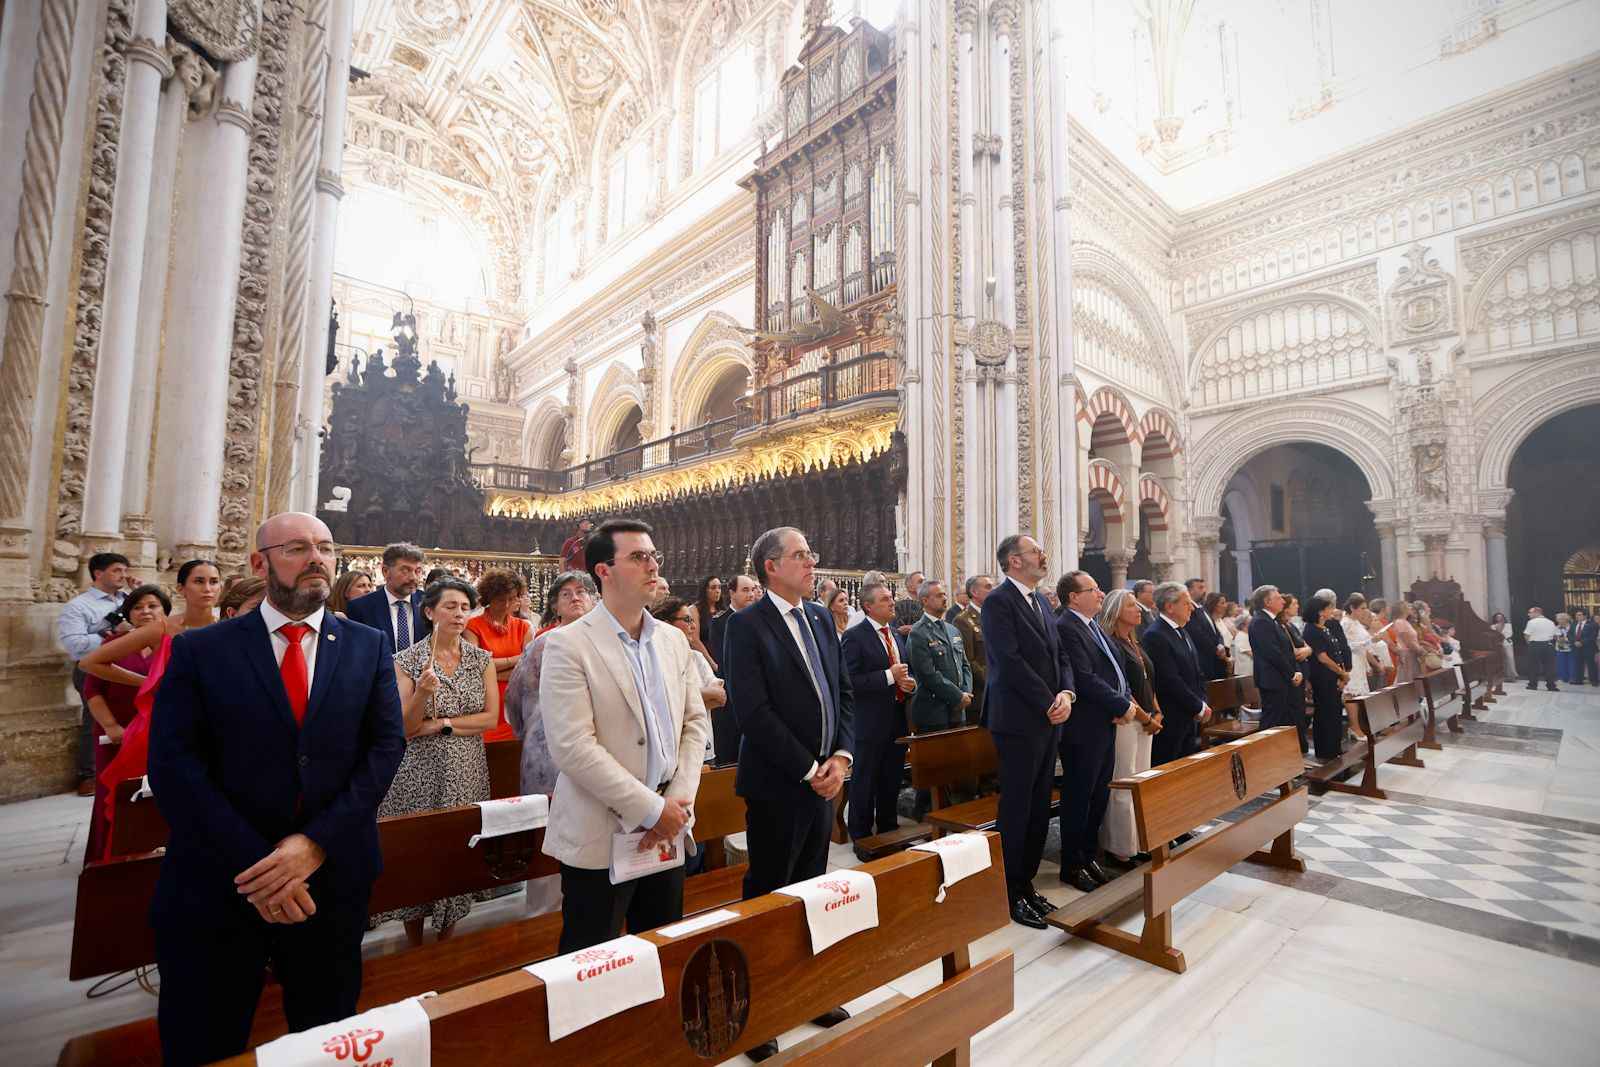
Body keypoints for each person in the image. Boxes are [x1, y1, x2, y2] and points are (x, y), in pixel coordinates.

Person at [147, 513, 404, 1067]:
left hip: (330, 881)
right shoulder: (203, 650)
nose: (317, 558)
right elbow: (175, 765)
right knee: (204, 1041)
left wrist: (312, 845)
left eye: (326, 548)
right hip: (220, 882)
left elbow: (384, 751)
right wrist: (261, 869)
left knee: (326, 1036)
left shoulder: (366, 645)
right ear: (260, 563)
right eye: (297, 548)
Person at [539, 519, 710, 954]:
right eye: (638, 557)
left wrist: (678, 802)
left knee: (661, 948)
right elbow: (573, 747)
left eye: (654, 556)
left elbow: (694, 724)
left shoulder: (672, 639)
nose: (652, 565)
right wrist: (651, 809)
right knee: (590, 956)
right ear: (604, 571)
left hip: (669, 825)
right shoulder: (568, 644)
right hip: (603, 830)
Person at [724, 526, 855, 1060]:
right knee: (770, 892)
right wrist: (809, 768)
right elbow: (753, 712)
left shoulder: (820, 616)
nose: (812, 562)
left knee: (811, 886)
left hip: (826, 781)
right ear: (771, 567)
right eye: (801, 555)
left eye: (811, 553)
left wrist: (842, 758)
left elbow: (841, 692)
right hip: (780, 784)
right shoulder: (746, 625)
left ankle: (804, 991)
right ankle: (757, 1006)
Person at [372, 579, 498, 947]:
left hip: (466, 768)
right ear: (429, 613)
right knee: (419, 854)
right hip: (417, 772)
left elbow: (490, 718)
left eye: (464, 607)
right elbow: (407, 729)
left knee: (456, 852)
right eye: (450, 607)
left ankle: (446, 938)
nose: (459, 614)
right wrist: (422, 694)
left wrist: (441, 725)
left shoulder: (481, 659)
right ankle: (414, 941)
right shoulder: (407, 661)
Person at [982, 535, 1074, 929]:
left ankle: (1027, 882)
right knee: (1018, 807)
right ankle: (1008, 890)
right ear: (1014, 561)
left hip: (1048, 716)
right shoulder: (998, 602)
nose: (1044, 555)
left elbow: (1061, 655)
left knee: (1039, 804)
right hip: (1019, 719)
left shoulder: (1040, 601)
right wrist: (1048, 701)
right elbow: (1010, 661)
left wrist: (1067, 692)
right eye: (1036, 551)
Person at [503, 570, 596, 917]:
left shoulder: (605, 641)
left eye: (583, 591)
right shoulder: (544, 643)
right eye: (566, 593)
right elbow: (515, 697)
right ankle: (542, 919)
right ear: (555, 606)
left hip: (594, 752)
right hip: (547, 754)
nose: (576, 597)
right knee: (548, 836)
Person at [1055, 570, 1137, 893]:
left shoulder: (1093, 627)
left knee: (1098, 793)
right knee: (1079, 797)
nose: (1101, 594)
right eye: (1093, 589)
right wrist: (1119, 705)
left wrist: (1123, 701)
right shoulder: (1066, 627)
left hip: (1103, 722)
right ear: (1074, 597)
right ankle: (1071, 863)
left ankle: (1088, 855)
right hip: (1082, 727)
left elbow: (1117, 670)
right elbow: (1085, 678)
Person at [81, 585, 170, 862]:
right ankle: (108, 855)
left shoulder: (175, 644)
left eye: (152, 606)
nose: (145, 611)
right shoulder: (113, 646)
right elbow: (92, 691)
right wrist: (110, 726)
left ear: (165, 611)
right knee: (114, 794)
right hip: (116, 729)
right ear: (128, 614)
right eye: (138, 607)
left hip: (156, 731)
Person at [840, 582, 915, 859]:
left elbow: (904, 672)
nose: (892, 602)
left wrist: (910, 685)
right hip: (868, 721)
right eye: (885, 599)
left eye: (891, 598)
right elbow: (849, 680)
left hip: (895, 718)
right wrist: (888, 676)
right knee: (865, 781)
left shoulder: (895, 634)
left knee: (891, 779)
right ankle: (861, 838)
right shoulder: (855, 636)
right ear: (868, 606)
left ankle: (888, 831)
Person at [58, 552, 131, 795]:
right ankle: (88, 775)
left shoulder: (129, 599)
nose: (123, 575)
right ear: (98, 573)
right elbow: (74, 644)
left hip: (127, 665)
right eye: (116, 570)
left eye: (124, 570)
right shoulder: (79, 606)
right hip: (92, 667)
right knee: (95, 718)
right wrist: (107, 633)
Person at [1099, 588, 1160, 863]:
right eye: (1131, 605)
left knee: (1142, 780)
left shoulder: (1135, 641)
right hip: (1128, 720)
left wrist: (1156, 710)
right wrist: (1145, 717)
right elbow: (1122, 687)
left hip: (1146, 718)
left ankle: (1137, 841)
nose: (1138, 610)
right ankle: (1119, 846)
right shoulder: (1113, 643)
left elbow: (1147, 680)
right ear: (1116, 611)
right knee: (1124, 780)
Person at [1142, 582, 1210, 768]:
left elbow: (1197, 671)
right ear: (1169, 607)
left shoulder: (1183, 632)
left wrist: (1202, 703)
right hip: (1172, 716)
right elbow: (1168, 680)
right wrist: (1197, 706)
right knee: (1168, 768)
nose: (1191, 608)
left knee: (1185, 769)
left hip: (1189, 713)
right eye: (1186, 603)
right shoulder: (1155, 635)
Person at [464, 569, 532, 742]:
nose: (507, 604)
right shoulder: (472, 626)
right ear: (489, 598)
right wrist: (515, 660)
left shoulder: (523, 627)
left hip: (516, 706)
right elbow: (473, 668)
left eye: (512, 598)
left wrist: (489, 671)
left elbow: (528, 671)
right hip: (484, 705)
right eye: (501, 599)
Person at [653, 597, 728, 747]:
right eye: (687, 620)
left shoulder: (697, 658)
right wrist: (705, 694)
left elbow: (720, 697)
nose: (693, 626)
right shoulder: (654, 660)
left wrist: (686, 698)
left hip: (704, 746)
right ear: (668, 625)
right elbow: (666, 699)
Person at [907, 581, 974, 734]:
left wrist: (966, 694)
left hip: (958, 712)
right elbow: (927, 674)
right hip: (934, 713)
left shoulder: (953, 630)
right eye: (939, 595)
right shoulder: (919, 632)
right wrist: (957, 696)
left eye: (944, 594)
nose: (945, 598)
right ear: (925, 601)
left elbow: (965, 665)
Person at [344, 542, 430, 652]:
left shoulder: (430, 603)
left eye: (418, 571)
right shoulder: (360, 607)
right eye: (405, 570)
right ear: (385, 571)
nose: (413, 577)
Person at [1248, 585, 1304, 742]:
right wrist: (1291, 673)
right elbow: (1272, 652)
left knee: (1284, 721)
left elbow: (1286, 650)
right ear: (1267, 602)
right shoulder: (1261, 621)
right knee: (1272, 722)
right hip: (1272, 679)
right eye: (1278, 598)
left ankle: (1281, 760)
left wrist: (1295, 671)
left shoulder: (1273, 621)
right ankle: (1266, 761)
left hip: (1280, 678)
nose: (1282, 601)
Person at [1302, 594, 1350, 760]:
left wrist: (1342, 675)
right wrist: (1341, 673)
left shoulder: (1326, 627)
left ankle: (1335, 746)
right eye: (1329, 608)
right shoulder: (1311, 630)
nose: (1332, 610)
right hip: (1323, 677)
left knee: (1335, 713)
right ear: (1320, 611)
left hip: (1334, 675)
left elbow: (1336, 652)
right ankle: (1325, 750)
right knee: (1326, 714)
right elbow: (1322, 657)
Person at [952, 574, 992, 721]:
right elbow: (968, 660)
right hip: (981, 693)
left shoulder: (994, 615)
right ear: (974, 592)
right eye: (988, 587)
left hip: (999, 690)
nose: (992, 590)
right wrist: (991, 679)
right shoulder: (963, 620)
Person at [1183, 577, 1229, 680]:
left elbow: (1216, 632)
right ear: (1190, 590)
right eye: (1200, 588)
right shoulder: (1191, 611)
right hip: (1203, 660)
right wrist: (1215, 650)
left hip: (1214, 660)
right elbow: (1198, 635)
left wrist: (1220, 644)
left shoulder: (1202, 609)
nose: (1204, 591)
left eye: (1204, 587)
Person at [1340, 595, 1379, 698]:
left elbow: (1363, 647)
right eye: (1362, 608)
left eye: (1365, 608)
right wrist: (1370, 639)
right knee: (1352, 692)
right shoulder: (1345, 623)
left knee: (1362, 694)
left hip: (1360, 661)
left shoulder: (1357, 622)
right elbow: (1347, 646)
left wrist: (1367, 665)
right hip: (1352, 661)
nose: (1364, 611)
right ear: (1352, 608)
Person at [1524, 607, 1559, 691]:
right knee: (1549, 666)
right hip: (1548, 645)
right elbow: (1555, 636)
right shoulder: (1550, 622)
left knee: (1533, 665)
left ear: (1537, 612)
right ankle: (1551, 685)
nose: (1529, 614)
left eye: (1530, 612)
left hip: (1535, 644)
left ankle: (1533, 684)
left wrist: (1530, 643)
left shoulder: (1531, 622)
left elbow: (1527, 635)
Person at [1389, 600, 1424, 683]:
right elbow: (1408, 643)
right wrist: (1420, 651)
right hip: (1407, 654)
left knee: (1413, 679)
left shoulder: (1405, 622)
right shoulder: (1400, 622)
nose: (1411, 607)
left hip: (1411, 653)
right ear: (1403, 609)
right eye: (1408, 605)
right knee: (1406, 680)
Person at [695, 575, 725, 669]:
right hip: (705, 661)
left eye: (719, 587)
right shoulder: (695, 609)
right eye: (713, 588)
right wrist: (712, 663)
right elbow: (695, 640)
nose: (717, 591)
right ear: (704, 590)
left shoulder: (722, 610)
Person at [1489, 611, 1519, 682]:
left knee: (1510, 658)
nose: (1499, 618)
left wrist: (1500, 634)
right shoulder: (1492, 626)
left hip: (1507, 643)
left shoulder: (1508, 625)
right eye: (1497, 617)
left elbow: (1509, 633)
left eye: (1500, 616)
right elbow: (1493, 635)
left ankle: (1513, 674)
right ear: (1495, 618)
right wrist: (1497, 630)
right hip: (1497, 644)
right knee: (1501, 659)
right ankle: (1503, 675)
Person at [893, 570, 925, 635]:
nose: (925, 583)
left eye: (925, 580)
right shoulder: (899, 608)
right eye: (920, 581)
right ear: (911, 588)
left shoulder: (931, 606)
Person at [1574, 608, 1598, 686]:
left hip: (1588, 648)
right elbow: (1570, 634)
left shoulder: (1592, 624)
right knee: (1578, 664)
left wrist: (1582, 642)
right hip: (1577, 648)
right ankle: (1578, 680)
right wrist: (1574, 642)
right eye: (1576, 615)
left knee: (1591, 664)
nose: (1577, 616)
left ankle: (1594, 680)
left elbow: (1593, 636)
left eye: (1579, 615)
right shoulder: (1574, 624)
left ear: (1585, 616)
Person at [1555, 612, 1576, 683]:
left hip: (1571, 647)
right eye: (1557, 619)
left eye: (1559, 619)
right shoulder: (1557, 627)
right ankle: (1562, 677)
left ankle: (1573, 677)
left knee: (1572, 663)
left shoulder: (1573, 626)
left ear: (1565, 620)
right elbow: (1555, 636)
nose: (1558, 621)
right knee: (1561, 663)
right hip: (1560, 648)